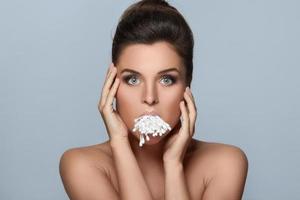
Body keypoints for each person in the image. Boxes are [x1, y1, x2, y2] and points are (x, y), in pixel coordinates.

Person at [59, 0, 248, 199]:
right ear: (112, 85)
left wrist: (174, 165)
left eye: (167, 80)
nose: (149, 98)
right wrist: (120, 144)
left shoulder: (225, 163)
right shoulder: (81, 165)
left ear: (187, 85)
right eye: (133, 79)